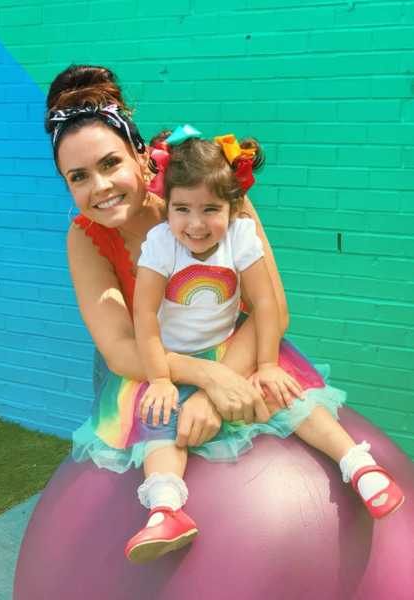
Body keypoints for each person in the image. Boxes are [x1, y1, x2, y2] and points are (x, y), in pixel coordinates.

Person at [44, 65, 404, 565]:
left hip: (231, 344)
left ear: (142, 156)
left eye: (110, 163)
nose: (99, 186)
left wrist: (219, 392)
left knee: (291, 404)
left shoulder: (210, 191)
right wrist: (204, 377)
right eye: (78, 177)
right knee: (150, 446)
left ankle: (358, 466)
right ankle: (164, 510)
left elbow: (270, 305)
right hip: (147, 368)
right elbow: (123, 347)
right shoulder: (85, 236)